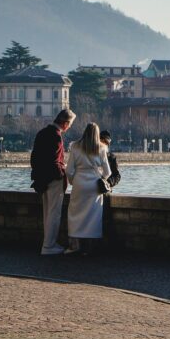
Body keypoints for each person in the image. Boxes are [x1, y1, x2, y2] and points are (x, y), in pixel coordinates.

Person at [31, 108, 76, 255]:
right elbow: (55, 161)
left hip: (41, 179)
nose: (69, 127)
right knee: (54, 214)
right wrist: (62, 174)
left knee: (47, 213)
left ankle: (47, 243)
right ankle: (49, 246)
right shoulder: (56, 137)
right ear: (65, 123)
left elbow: (35, 159)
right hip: (53, 180)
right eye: (70, 124)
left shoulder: (42, 133)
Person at [65, 122, 111, 254]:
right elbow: (108, 172)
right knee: (93, 216)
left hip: (79, 183)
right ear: (97, 134)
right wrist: (101, 179)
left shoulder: (75, 146)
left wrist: (73, 181)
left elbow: (69, 170)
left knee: (75, 213)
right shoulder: (102, 148)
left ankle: (74, 246)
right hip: (94, 185)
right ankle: (89, 248)